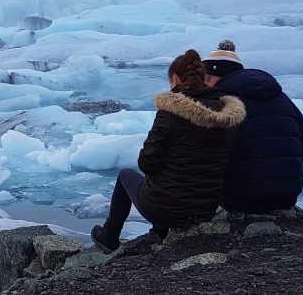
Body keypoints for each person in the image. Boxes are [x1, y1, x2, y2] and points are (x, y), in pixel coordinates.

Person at [91, 49, 246, 253]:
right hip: (205, 208)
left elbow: (147, 163)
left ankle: (109, 236)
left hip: (165, 208)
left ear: (174, 80)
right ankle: (161, 231)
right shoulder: (227, 116)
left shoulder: (169, 114)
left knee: (125, 176)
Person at [202, 40, 303, 213]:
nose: (204, 85)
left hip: (241, 199)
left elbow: (211, 158)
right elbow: (302, 149)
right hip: (288, 195)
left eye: (206, 79)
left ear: (216, 77)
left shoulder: (223, 103)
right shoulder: (284, 99)